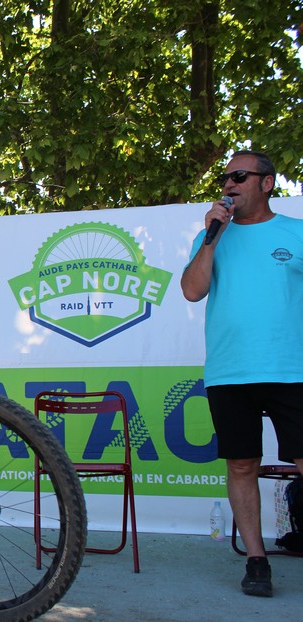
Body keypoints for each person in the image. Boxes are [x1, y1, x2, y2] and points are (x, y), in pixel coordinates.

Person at [181, 149, 303, 597]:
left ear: (267, 183)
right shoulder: (210, 236)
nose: (229, 185)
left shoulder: (296, 232)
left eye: (239, 176)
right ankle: (256, 560)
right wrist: (211, 239)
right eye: (225, 178)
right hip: (231, 370)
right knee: (242, 463)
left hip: (292, 368)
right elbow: (192, 291)